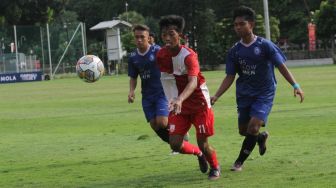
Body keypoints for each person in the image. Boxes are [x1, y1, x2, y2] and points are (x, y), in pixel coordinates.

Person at [211, 6, 304, 172]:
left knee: (253, 127)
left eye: (241, 24)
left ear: (251, 24)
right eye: (235, 25)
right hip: (244, 94)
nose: (238, 27)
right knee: (244, 131)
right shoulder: (234, 51)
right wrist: (216, 96)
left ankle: (239, 162)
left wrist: (295, 85)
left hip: (264, 93)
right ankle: (261, 138)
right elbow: (230, 76)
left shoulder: (265, 45)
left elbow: (281, 66)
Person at [157, 15, 220, 180]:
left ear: (180, 35)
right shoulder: (161, 55)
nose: (167, 38)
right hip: (180, 107)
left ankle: (215, 167)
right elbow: (166, 78)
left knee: (204, 144)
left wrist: (179, 99)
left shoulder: (189, 56)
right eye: (164, 34)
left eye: (171, 34)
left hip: (199, 105)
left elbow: (193, 82)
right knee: (175, 144)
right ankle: (198, 154)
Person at [128, 24, 170, 145]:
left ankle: (178, 132)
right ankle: (175, 144)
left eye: (142, 37)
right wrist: (131, 91)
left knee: (162, 122)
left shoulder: (158, 51)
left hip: (161, 92)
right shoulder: (132, 57)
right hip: (146, 95)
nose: (139, 40)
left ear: (148, 37)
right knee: (154, 125)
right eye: (136, 37)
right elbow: (133, 77)